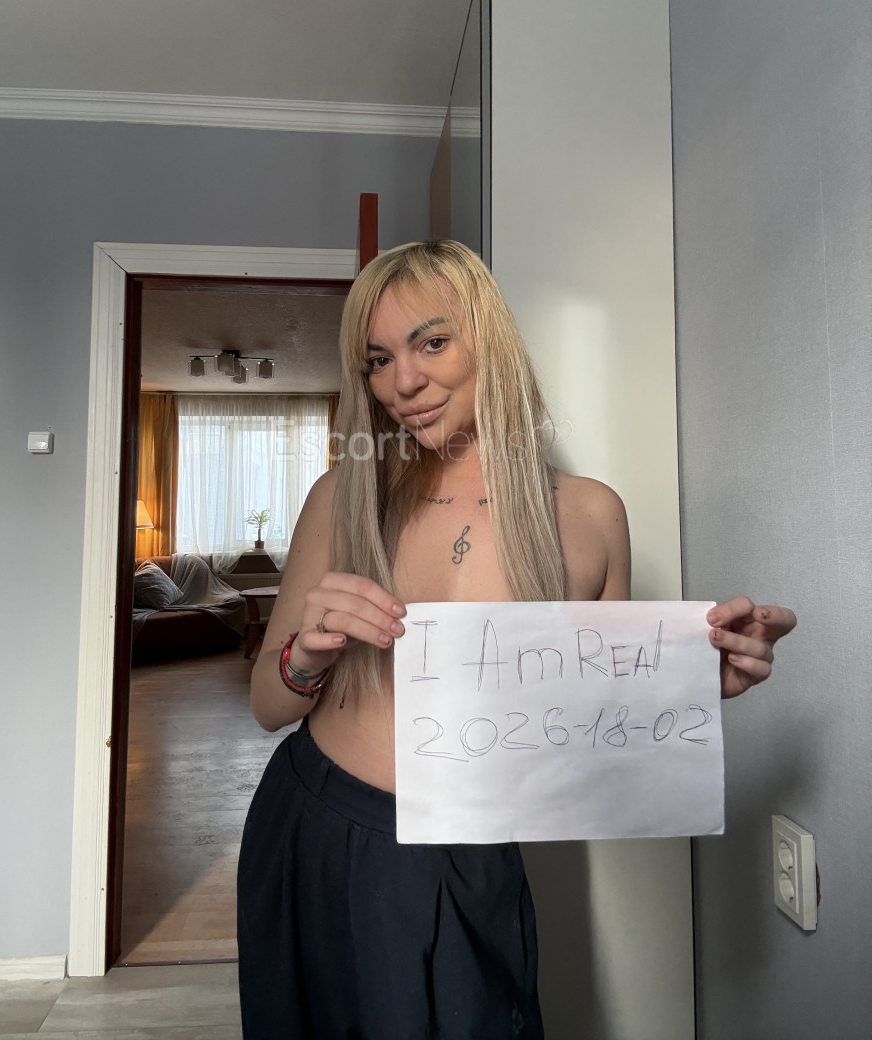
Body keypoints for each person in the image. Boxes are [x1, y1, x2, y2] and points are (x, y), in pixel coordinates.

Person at [237, 239, 796, 1040]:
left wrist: (692, 687)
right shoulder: (342, 499)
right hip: (321, 828)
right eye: (377, 360)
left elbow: (593, 727)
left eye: (432, 342)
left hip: (473, 851)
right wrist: (304, 657)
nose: (402, 382)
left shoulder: (591, 515)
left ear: (488, 341)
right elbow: (266, 705)